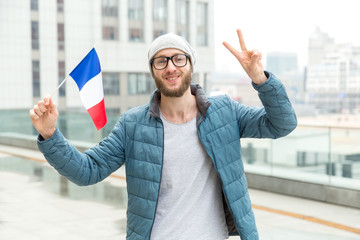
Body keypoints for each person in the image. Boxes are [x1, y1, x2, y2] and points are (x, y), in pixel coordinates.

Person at [30, 29, 297, 240]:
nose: (171, 67)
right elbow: (86, 171)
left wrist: (260, 79)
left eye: (178, 58)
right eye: (161, 61)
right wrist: (50, 134)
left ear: (190, 65)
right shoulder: (133, 124)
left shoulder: (224, 111)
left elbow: (281, 124)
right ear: (153, 71)